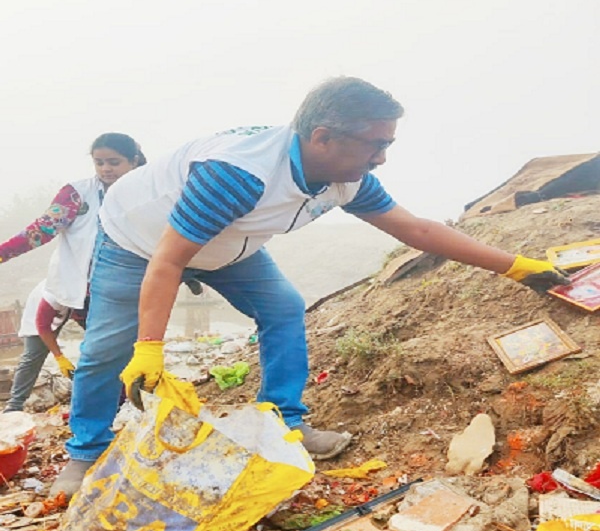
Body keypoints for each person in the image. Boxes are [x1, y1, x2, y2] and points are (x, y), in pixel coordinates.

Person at [50, 77, 569, 498]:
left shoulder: (348, 177)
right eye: (377, 144)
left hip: (233, 244)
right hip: (139, 242)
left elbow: (417, 230)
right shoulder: (238, 173)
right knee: (103, 351)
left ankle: (284, 423)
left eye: (387, 143)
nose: (383, 157)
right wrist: (149, 347)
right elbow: (168, 260)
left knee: (284, 308)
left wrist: (516, 266)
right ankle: (85, 452)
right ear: (323, 137)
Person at [0, 133, 146, 409]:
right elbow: (41, 229)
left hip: (130, 287)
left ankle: (123, 407)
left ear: (133, 161)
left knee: (128, 353)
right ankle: (98, 417)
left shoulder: (147, 190)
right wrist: (2, 253)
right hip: (86, 293)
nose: (105, 169)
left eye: (114, 162)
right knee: (99, 354)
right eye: (99, 162)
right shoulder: (77, 194)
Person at [2, 280, 86, 413]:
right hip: (40, 317)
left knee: (96, 345)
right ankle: (15, 404)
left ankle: (85, 394)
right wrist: (59, 357)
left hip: (70, 303)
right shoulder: (50, 297)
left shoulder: (83, 284)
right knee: (33, 356)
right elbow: (42, 327)